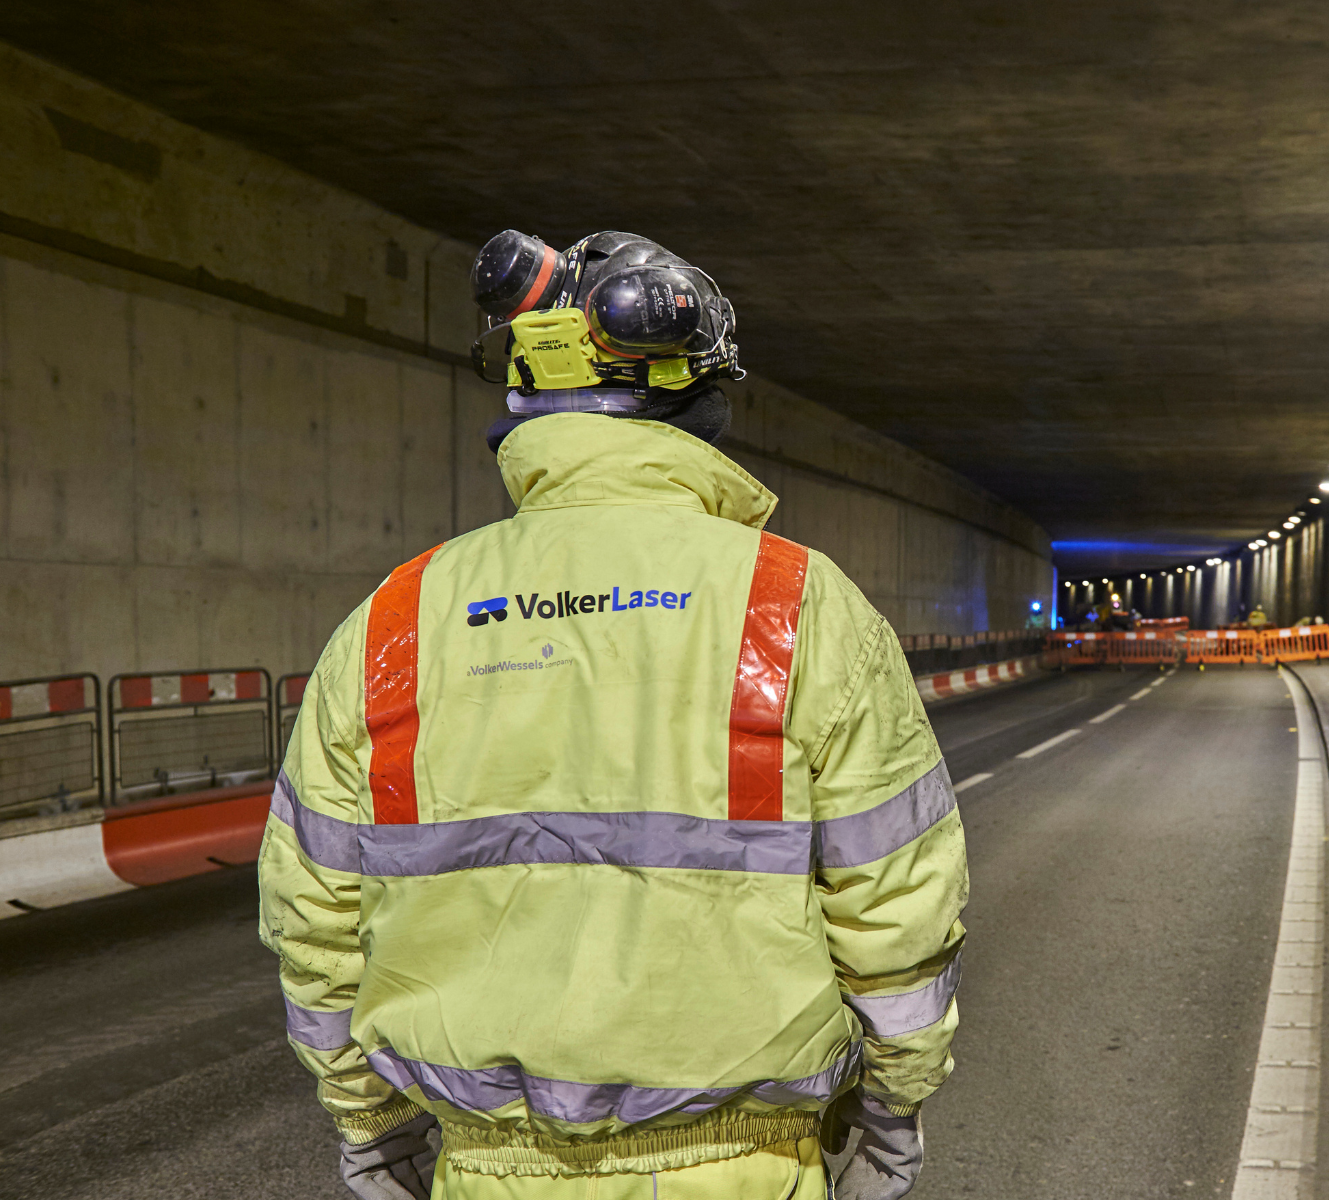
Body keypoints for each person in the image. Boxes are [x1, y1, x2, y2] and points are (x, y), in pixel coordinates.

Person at [259, 230, 968, 1200]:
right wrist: (893, 1106)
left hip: (485, 1174)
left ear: (522, 396)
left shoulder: (394, 622)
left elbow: (314, 919)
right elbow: (894, 903)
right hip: (742, 1171)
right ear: (690, 394)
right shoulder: (795, 606)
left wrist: (368, 1122)